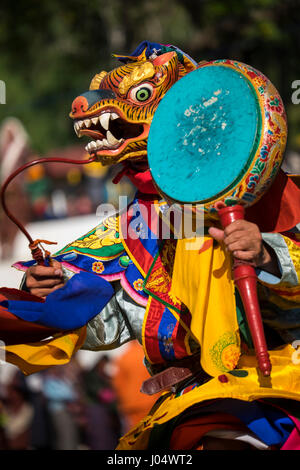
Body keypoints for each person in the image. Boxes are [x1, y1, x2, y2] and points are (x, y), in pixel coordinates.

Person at [4, 42, 300, 450]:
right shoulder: (134, 226)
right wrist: (54, 296)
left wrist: (266, 253)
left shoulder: (263, 189)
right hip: (180, 405)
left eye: (142, 96)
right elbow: (118, 320)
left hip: (271, 387)